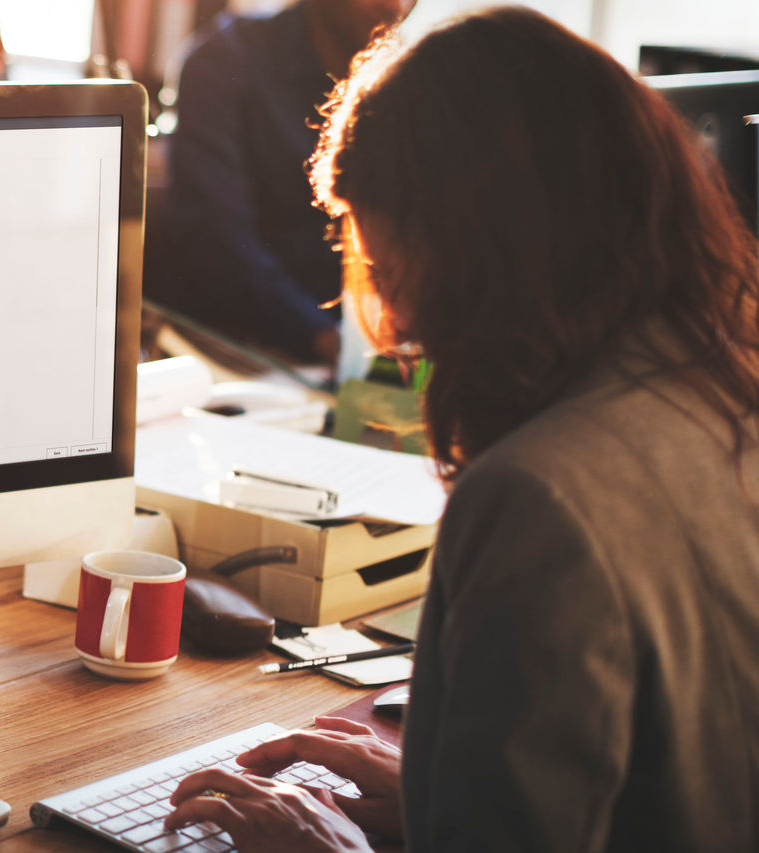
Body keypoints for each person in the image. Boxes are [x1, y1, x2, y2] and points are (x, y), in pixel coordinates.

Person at [163, 6, 759, 851]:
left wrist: (322, 844)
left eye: (399, 277)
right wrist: (445, 797)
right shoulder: (726, 395)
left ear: (482, 259)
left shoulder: (539, 495)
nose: (401, 330)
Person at [150, 0, 415, 369]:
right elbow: (216, 240)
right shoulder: (226, 60)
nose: (397, 5)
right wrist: (332, 342)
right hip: (233, 354)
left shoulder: (411, 79)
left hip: (355, 357)